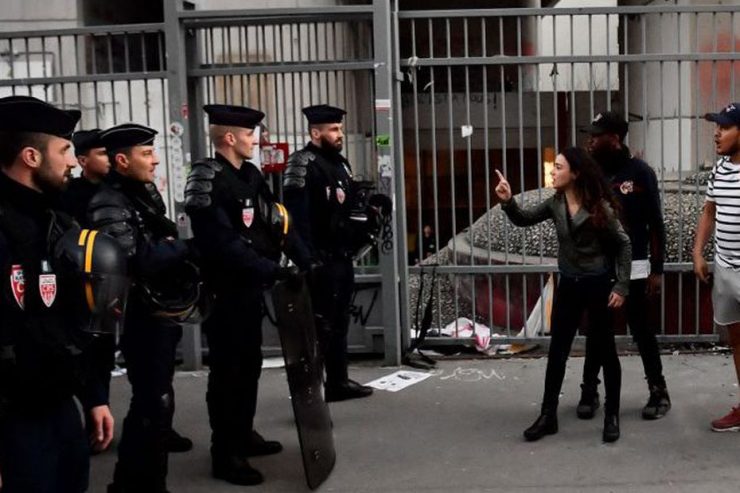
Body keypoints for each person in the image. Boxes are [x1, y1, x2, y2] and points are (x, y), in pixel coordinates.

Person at [184, 104, 308, 486]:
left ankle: (243, 433)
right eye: (251, 134)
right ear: (229, 138)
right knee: (228, 373)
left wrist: (305, 260)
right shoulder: (206, 179)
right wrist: (272, 269)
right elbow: (222, 244)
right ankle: (225, 452)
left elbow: (273, 222)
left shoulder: (250, 174)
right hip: (225, 292)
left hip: (251, 288)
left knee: (249, 366)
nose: (257, 140)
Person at [0, 95, 116, 491]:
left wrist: (94, 396)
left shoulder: (58, 224)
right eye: (65, 150)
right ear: (31, 156)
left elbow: (72, 321)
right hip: (12, 417)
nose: (72, 161)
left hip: (59, 404)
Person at [494, 146, 631, 443]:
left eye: (558, 167)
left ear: (576, 173)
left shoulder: (599, 208)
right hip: (568, 284)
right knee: (557, 352)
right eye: (554, 167)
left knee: (606, 351)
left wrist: (621, 286)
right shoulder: (555, 203)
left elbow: (623, 244)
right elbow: (525, 218)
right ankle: (548, 415)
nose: (553, 172)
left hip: (597, 285)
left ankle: (612, 415)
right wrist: (508, 202)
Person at [88, 123, 194, 493]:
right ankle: (132, 484)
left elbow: (160, 239)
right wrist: (182, 248)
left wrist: (168, 246)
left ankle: (148, 482)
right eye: (146, 154)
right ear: (122, 160)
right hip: (138, 316)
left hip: (157, 310)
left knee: (157, 402)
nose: (155, 160)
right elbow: (134, 258)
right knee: (151, 402)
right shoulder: (108, 202)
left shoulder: (142, 193)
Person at [579, 110, 670, 420]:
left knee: (642, 330)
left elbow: (656, 224)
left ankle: (658, 392)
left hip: (636, 266)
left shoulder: (640, 173)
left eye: (596, 134)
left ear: (614, 139)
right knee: (595, 330)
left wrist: (657, 269)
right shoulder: (591, 175)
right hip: (598, 267)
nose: (590, 139)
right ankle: (589, 392)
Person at [283, 104, 376, 402]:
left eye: (339, 129)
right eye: (333, 130)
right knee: (318, 328)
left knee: (338, 324)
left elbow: (345, 207)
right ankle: (311, 391)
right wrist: (309, 260)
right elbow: (297, 219)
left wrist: (368, 208)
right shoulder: (302, 164)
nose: (339, 135)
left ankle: (338, 382)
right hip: (319, 260)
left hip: (340, 257)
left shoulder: (340, 164)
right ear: (315, 132)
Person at [694, 102, 740, 432]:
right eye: (716, 126)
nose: (717, 132)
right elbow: (709, 212)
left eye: (724, 127)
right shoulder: (720, 169)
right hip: (725, 268)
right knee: (736, 339)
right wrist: (698, 251)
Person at [60, 129, 110, 224]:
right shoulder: (68, 193)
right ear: (83, 161)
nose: (110, 158)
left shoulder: (120, 188)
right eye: (103, 153)